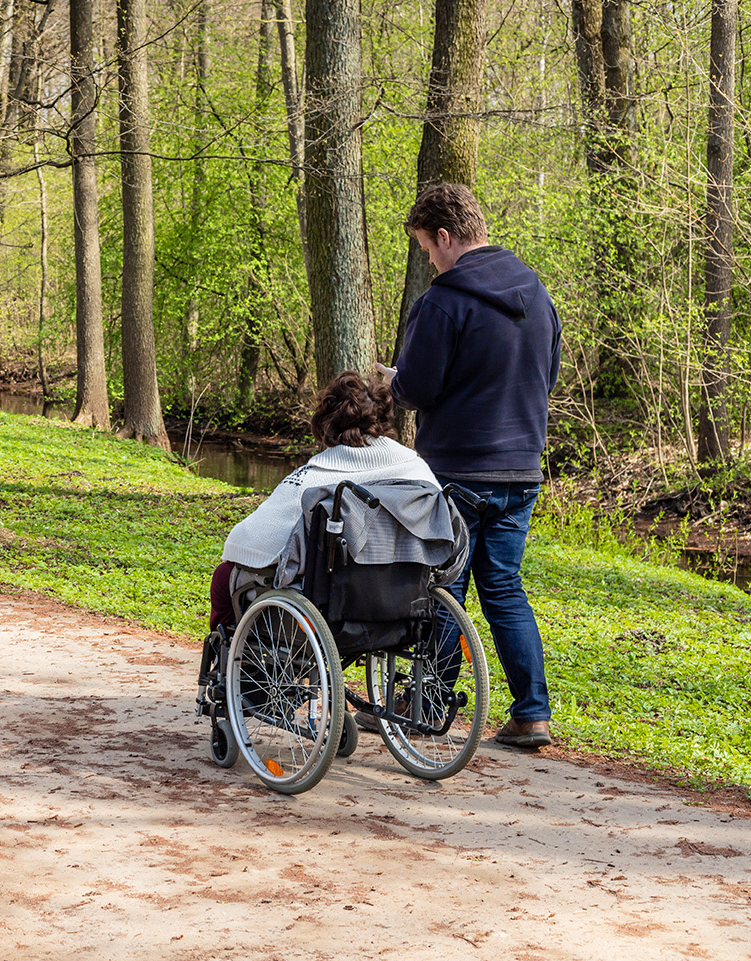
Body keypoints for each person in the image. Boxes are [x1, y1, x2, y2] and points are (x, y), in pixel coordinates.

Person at [379, 182, 561, 750]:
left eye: (427, 249)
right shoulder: (536, 292)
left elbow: (419, 387)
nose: (429, 261)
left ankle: (427, 706)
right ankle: (532, 712)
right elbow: (547, 376)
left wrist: (395, 384)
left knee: (445, 586)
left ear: (445, 236)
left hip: (458, 467)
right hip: (522, 468)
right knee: (503, 586)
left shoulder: (443, 301)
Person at [209, 370, 439, 634]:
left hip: (329, 600)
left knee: (223, 576)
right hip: (402, 595)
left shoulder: (315, 476)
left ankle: (237, 663)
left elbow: (246, 542)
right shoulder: (417, 470)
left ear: (327, 422)